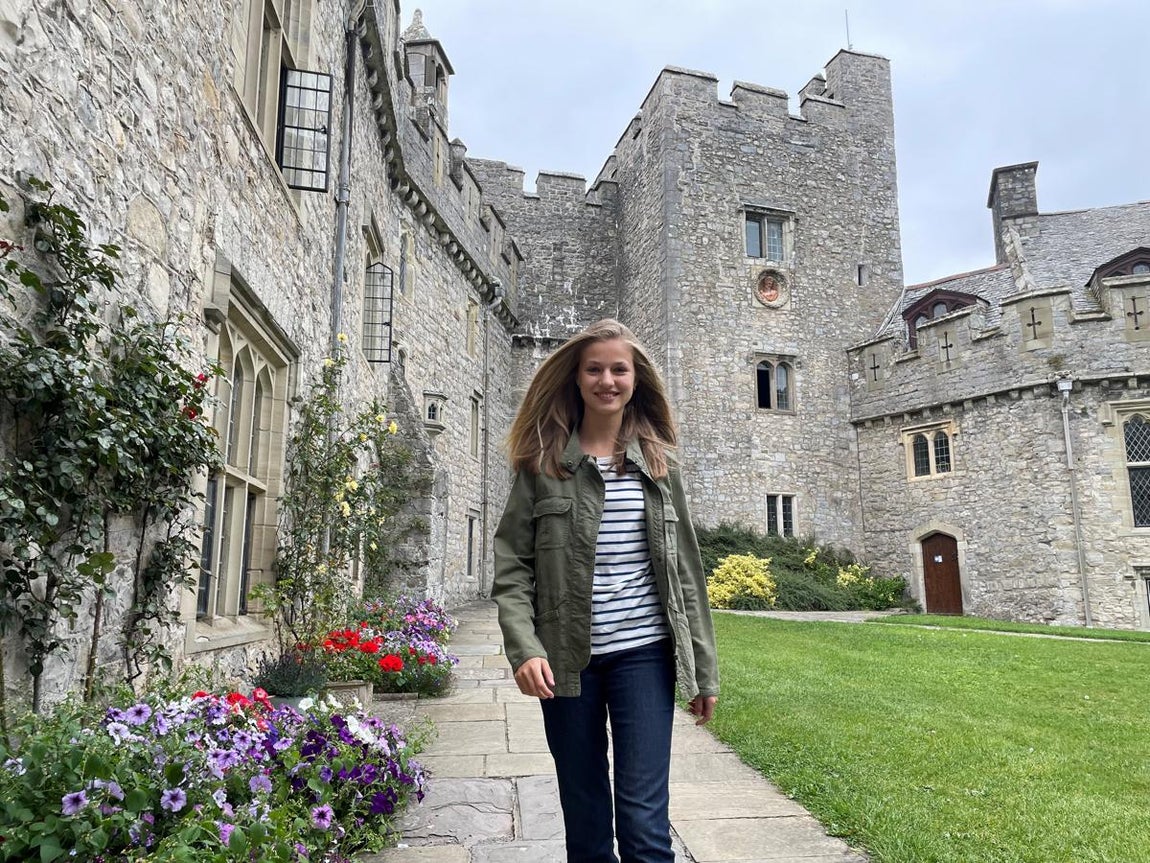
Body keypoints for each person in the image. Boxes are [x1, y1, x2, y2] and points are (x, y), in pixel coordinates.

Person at [492, 318, 719, 863]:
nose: (607, 379)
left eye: (619, 369)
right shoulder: (542, 467)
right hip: (568, 662)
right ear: (576, 378)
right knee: (586, 819)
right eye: (594, 369)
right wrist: (525, 648)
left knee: (644, 825)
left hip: (644, 658)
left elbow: (686, 569)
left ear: (636, 379)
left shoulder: (660, 466)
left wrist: (703, 670)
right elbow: (512, 567)